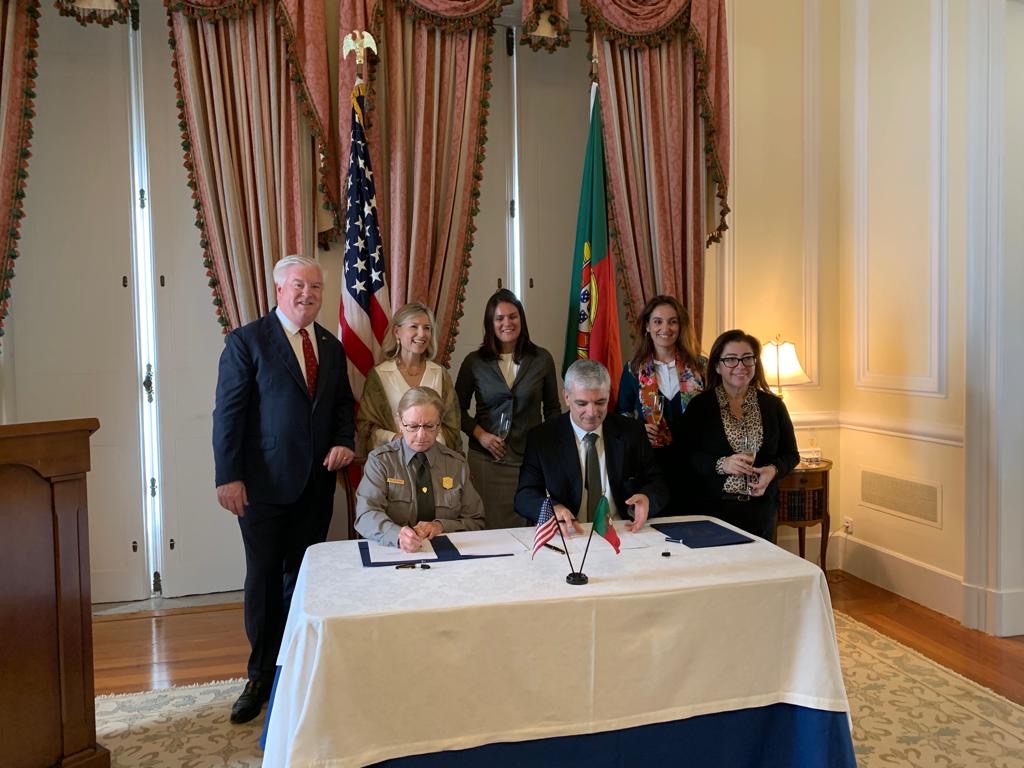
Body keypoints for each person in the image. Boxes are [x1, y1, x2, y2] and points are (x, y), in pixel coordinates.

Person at [212, 255, 356, 725]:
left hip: (316, 486)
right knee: (265, 581)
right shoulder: (247, 342)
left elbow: (341, 408)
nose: (307, 294)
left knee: (306, 580)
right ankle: (259, 676)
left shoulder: (331, 347)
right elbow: (228, 416)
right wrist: (227, 476)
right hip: (263, 489)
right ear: (278, 289)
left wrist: (343, 443)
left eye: (315, 287)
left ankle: (296, 667)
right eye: (298, 285)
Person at [514, 359, 668, 534]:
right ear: (566, 397)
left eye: (600, 402)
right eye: (582, 404)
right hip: (570, 533)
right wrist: (551, 509)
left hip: (621, 532)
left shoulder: (631, 431)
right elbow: (524, 495)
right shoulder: (543, 438)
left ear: (609, 396)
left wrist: (647, 499)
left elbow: (658, 483)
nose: (592, 412)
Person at [680, 329, 799, 542]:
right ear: (717, 366)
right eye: (731, 360)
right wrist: (721, 464)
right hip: (712, 512)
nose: (741, 366)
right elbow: (684, 456)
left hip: (761, 513)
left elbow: (791, 454)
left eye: (747, 359)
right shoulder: (700, 407)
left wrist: (773, 470)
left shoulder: (773, 406)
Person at [455, 289, 561, 529]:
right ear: (490, 324)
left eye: (513, 316)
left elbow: (553, 409)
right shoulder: (474, 362)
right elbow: (455, 410)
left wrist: (547, 449)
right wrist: (481, 435)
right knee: (490, 530)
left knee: (529, 528)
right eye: (499, 318)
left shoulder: (542, 358)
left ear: (521, 319)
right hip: (487, 461)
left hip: (530, 461)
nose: (507, 323)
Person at [355, 386, 484, 549]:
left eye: (429, 426)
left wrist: (441, 526)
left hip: (447, 554)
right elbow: (366, 515)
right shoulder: (381, 461)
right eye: (413, 426)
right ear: (400, 423)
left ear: (439, 425)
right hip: (393, 553)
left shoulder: (456, 464)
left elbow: (475, 520)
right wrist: (397, 535)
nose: (421, 435)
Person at [617, 295, 705, 514]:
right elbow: (621, 417)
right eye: (658, 321)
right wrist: (639, 430)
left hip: (694, 464)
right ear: (647, 326)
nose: (665, 327)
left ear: (680, 326)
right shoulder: (633, 370)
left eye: (672, 321)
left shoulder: (699, 367)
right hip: (652, 467)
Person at [356, 303, 461, 453]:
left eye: (427, 328)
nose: (422, 333)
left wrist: (428, 441)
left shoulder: (440, 374)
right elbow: (366, 426)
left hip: (435, 463)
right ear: (397, 331)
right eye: (414, 326)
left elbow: (453, 427)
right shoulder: (380, 375)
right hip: (393, 463)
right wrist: (395, 438)